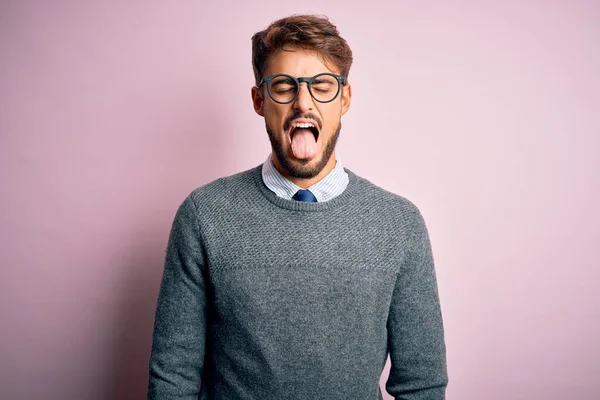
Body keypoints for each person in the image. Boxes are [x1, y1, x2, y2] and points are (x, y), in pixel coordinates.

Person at [147, 14, 448, 400]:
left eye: (322, 86)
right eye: (284, 87)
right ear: (259, 100)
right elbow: (172, 379)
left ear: (345, 99)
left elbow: (422, 385)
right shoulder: (204, 215)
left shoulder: (399, 224)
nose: (303, 103)